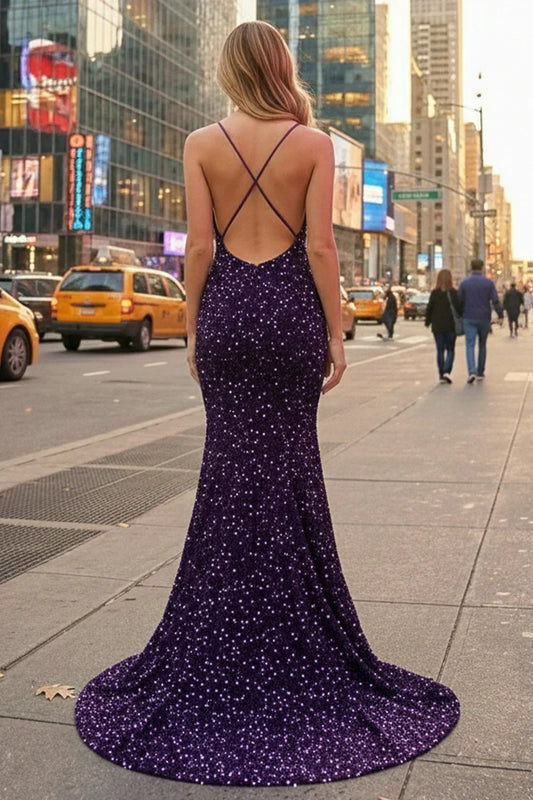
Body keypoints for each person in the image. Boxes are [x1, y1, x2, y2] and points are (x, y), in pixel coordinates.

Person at [75, 21, 459, 786]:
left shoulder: (201, 143)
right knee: (289, 470)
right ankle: (293, 634)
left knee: (226, 473)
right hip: (288, 315)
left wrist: (193, 329)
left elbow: (201, 246)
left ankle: (215, 638)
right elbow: (318, 247)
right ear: (281, 69)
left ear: (229, 71)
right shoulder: (311, 144)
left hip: (225, 313)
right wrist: (336, 332)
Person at [458, 258, 503, 383]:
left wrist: (461, 313)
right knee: (482, 344)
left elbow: (459, 300)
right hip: (484, 317)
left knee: (470, 344)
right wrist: (500, 315)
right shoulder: (488, 283)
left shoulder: (464, 283)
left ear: (471, 268)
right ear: (482, 268)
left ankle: (471, 371)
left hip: (468, 317)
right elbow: (495, 300)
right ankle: (480, 371)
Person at [425, 268, 461, 383]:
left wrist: (427, 321)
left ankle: (441, 374)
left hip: (438, 326)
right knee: (450, 349)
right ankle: (447, 371)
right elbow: (459, 309)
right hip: (451, 325)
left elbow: (429, 308)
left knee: (440, 350)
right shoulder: (454, 293)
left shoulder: (434, 293)